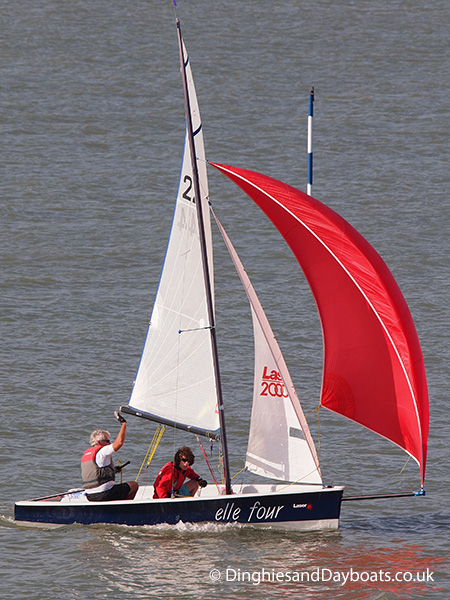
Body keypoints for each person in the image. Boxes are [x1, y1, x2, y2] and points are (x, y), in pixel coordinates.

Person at [81, 410, 139, 502]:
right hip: (105, 493)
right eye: (107, 441)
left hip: (90, 496)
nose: (110, 443)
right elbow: (119, 443)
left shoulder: (87, 454)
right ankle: (122, 510)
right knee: (134, 485)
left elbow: (97, 472)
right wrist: (124, 424)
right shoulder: (102, 450)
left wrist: (114, 470)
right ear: (100, 442)